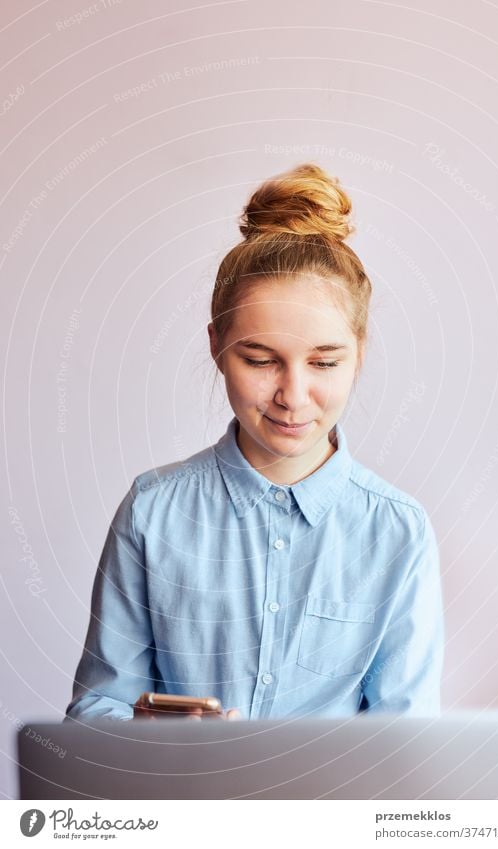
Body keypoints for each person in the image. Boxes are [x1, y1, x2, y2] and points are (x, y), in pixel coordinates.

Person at [65, 162, 444, 723]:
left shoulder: (397, 530)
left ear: (359, 353)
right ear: (217, 345)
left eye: (324, 362)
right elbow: (96, 708)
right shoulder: (152, 510)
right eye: (261, 360)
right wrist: (153, 735)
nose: (293, 395)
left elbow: (405, 744)